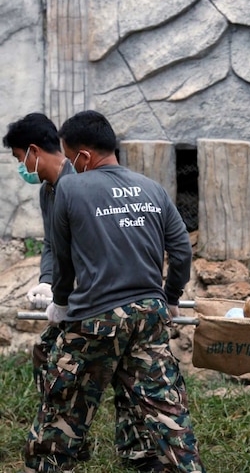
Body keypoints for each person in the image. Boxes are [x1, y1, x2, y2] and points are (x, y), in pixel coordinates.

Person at [23, 110, 205, 472]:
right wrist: (168, 298)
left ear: (83, 156)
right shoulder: (152, 188)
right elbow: (181, 250)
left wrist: (59, 303)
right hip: (150, 315)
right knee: (164, 406)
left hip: (96, 318)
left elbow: (63, 259)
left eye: (69, 155)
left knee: (64, 404)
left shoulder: (71, 188)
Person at [3, 113, 76, 396]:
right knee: (46, 355)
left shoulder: (81, 183)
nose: (22, 167)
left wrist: (64, 294)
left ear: (34, 151)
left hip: (92, 294)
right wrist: (47, 280)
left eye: (20, 158)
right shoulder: (48, 191)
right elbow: (51, 243)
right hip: (68, 293)